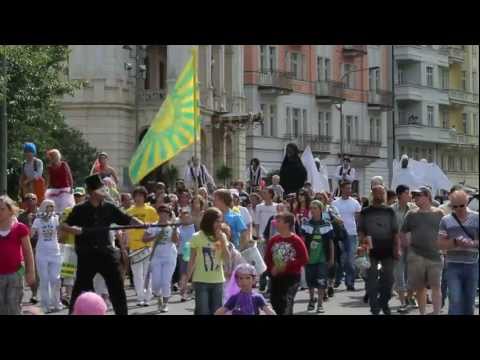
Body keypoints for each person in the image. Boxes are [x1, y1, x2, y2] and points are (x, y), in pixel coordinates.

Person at [62, 175, 144, 315]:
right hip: (86, 255)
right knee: (81, 289)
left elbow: (126, 219)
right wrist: (73, 230)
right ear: (92, 192)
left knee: (117, 287)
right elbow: (63, 225)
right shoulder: (79, 209)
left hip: (106, 253)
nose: (104, 191)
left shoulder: (109, 208)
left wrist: (139, 223)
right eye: (100, 189)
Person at [400, 186, 445, 315]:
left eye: (418, 195)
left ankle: (436, 312)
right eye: (414, 196)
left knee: (436, 286)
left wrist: (444, 248)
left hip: (435, 255)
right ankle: (422, 313)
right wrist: (406, 245)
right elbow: (403, 232)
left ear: (427, 196)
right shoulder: (411, 214)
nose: (415, 198)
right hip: (416, 256)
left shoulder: (439, 213)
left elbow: (446, 231)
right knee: (420, 288)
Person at [359, 185, 400, 315]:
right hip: (370, 250)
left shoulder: (390, 211)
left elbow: (395, 232)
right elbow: (360, 230)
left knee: (389, 280)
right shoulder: (365, 211)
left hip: (387, 249)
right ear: (373, 194)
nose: (380, 195)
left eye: (382, 193)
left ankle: (384, 302)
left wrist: (397, 248)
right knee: (371, 280)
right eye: (377, 193)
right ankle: (374, 307)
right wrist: (362, 243)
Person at [438, 190, 479, 315]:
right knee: (455, 299)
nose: (459, 209)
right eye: (455, 206)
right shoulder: (446, 220)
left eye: (461, 205)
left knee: (469, 301)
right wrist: (455, 242)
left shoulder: (476, 218)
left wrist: (473, 243)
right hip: (453, 265)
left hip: (472, 264)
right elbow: (439, 243)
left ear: (467, 202)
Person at [185, 207, 230, 315]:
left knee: (216, 311)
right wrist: (187, 280)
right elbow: (192, 260)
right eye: (217, 221)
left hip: (218, 281)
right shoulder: (197, 237)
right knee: (203, 311)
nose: (220, 224)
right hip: (201, 281)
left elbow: (227, 259)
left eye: (221, 221)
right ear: (209, 221)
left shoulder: (222, 236)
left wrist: (223, 242)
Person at [264, 212, 309, 315]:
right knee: (275, 301)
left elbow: (304, 258)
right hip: (276, 276)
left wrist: (286, 265)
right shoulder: (274, 240)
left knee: (286, 300)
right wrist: (272, 269)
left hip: (291, 276)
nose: (276, 223)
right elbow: (267, 258)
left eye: (279, 221)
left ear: (287, 224)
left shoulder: (296, 240)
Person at [0, 196, 36, 315]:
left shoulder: (20, 228)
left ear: (10, 210)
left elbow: (28, 252)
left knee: (13, 305)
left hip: (15, 273)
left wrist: (30, 272)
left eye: (2, 209)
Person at [126, 186, 159, 307]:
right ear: (134, 197)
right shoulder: (129, 211)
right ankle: (140, 297)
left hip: (147, 246)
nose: (139, 198)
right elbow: (125, 229)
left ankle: (147, 297)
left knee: (147, 274)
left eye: (141, 195)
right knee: (137, 274)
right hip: (134, 246)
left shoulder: (150, 210)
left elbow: (156, 226)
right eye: (137, 195)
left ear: (145, 197)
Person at [142, 204, 179, 313]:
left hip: (170, 256)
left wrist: (175, 229)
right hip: (156, 257)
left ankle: (165, 304)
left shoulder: (172, 226)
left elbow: (176, 241)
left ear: (169, 214)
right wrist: (155, 237)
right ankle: (159, 297)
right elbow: (144, 239)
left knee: (165, 281)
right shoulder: (153, 226)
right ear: (158, 214)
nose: (164, 215)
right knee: (156, 283)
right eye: (161, 213)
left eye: (166, 213)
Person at [301, 200, 334, 313]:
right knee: (310, 281)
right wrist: (303, 257)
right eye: (311, 208)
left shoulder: (327, 224)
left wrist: (332, 258)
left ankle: (320, 304)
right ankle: (311, 299)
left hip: (322, 258)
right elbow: (303, 241)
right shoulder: (306, 224)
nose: (313, 210)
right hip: (309, 258)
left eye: (315, 208)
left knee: (321, 281)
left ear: (320, 210)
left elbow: (330, 243)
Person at [31, 200, 63, 313]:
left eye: (53, 207)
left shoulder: (55, 219)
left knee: (55, 278)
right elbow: (31, 234)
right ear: (44, 207)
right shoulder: (37, 220)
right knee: (44, 280)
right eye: (49, 207)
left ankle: (56, 302)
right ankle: (46, 305)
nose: (51, 209)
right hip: (41, 253)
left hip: (55, 252)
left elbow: (60, 233)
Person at [391, 185, 418, 313]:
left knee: (411, 274)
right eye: (407, 193)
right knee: (398, 274)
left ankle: (410, 298)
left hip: (412, 245)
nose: (409, 195)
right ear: (399, 195)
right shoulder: (391, 210)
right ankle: (403, 301)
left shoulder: (414, 209)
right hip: (397, 245)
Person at [332, 181, 362, 291]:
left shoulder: (355, 203)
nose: (350, 190)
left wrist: (359, 232)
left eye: (350, 188)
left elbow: (358, 218)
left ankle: (350, 282)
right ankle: (338, 279)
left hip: (352, 234)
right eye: (347, 188)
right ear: (342, 189)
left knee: (350, 259)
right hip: (339, 234)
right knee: (341, 259)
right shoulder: (335, 203)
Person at [59, 187, 86, 305]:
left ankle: (82, 296)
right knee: (69, 272)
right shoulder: (67, 210)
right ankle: (69, 296)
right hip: (70, 245)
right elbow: (64, 228)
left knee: (83, 272)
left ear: (84, 197)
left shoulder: (88, 210)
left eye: (80, 196)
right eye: (76, 196)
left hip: (85, 246)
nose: (77, 198)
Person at [17, 193, 40, 304]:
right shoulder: (21, 216)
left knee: (35, 271)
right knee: (22, 270)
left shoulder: (43, 214)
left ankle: (34, 294)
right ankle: (22, 291)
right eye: (27, 199)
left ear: (37, 200)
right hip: (24, 246)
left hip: (39, 246)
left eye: (32, 199)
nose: (30, 201)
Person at [255, 188, 278, 293]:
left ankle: (271, 285)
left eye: (265, 193)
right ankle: (263, 281)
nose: (263, 194)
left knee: (273, 261)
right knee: (263, 261)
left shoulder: (277, 206)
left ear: (271, 195)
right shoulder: (259, 207)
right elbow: (257, 222)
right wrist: (258, 235)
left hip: (274, 237)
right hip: (263, 238)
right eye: (263, 193)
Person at [45, 149, 75, 214]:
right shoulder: (49, 168)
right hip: (54, 190)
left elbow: (70, 176)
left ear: (57, 156)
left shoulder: (64, 164)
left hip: (65, 189)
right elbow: (48, 180)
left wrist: (72, 187)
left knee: (64, 208)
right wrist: (44, 190)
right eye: (51, 156)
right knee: (54, 208)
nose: (52, 158)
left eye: (53, 156)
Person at [177, 208, 196, 302]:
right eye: (183, 217)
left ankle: (191, 291)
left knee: (194, 274)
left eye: (187, 217)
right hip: (182, 254)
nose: (185, 219)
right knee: (184, 274)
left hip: (194, 254)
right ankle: (183, 293)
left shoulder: (195, 228)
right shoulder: (178, 229)